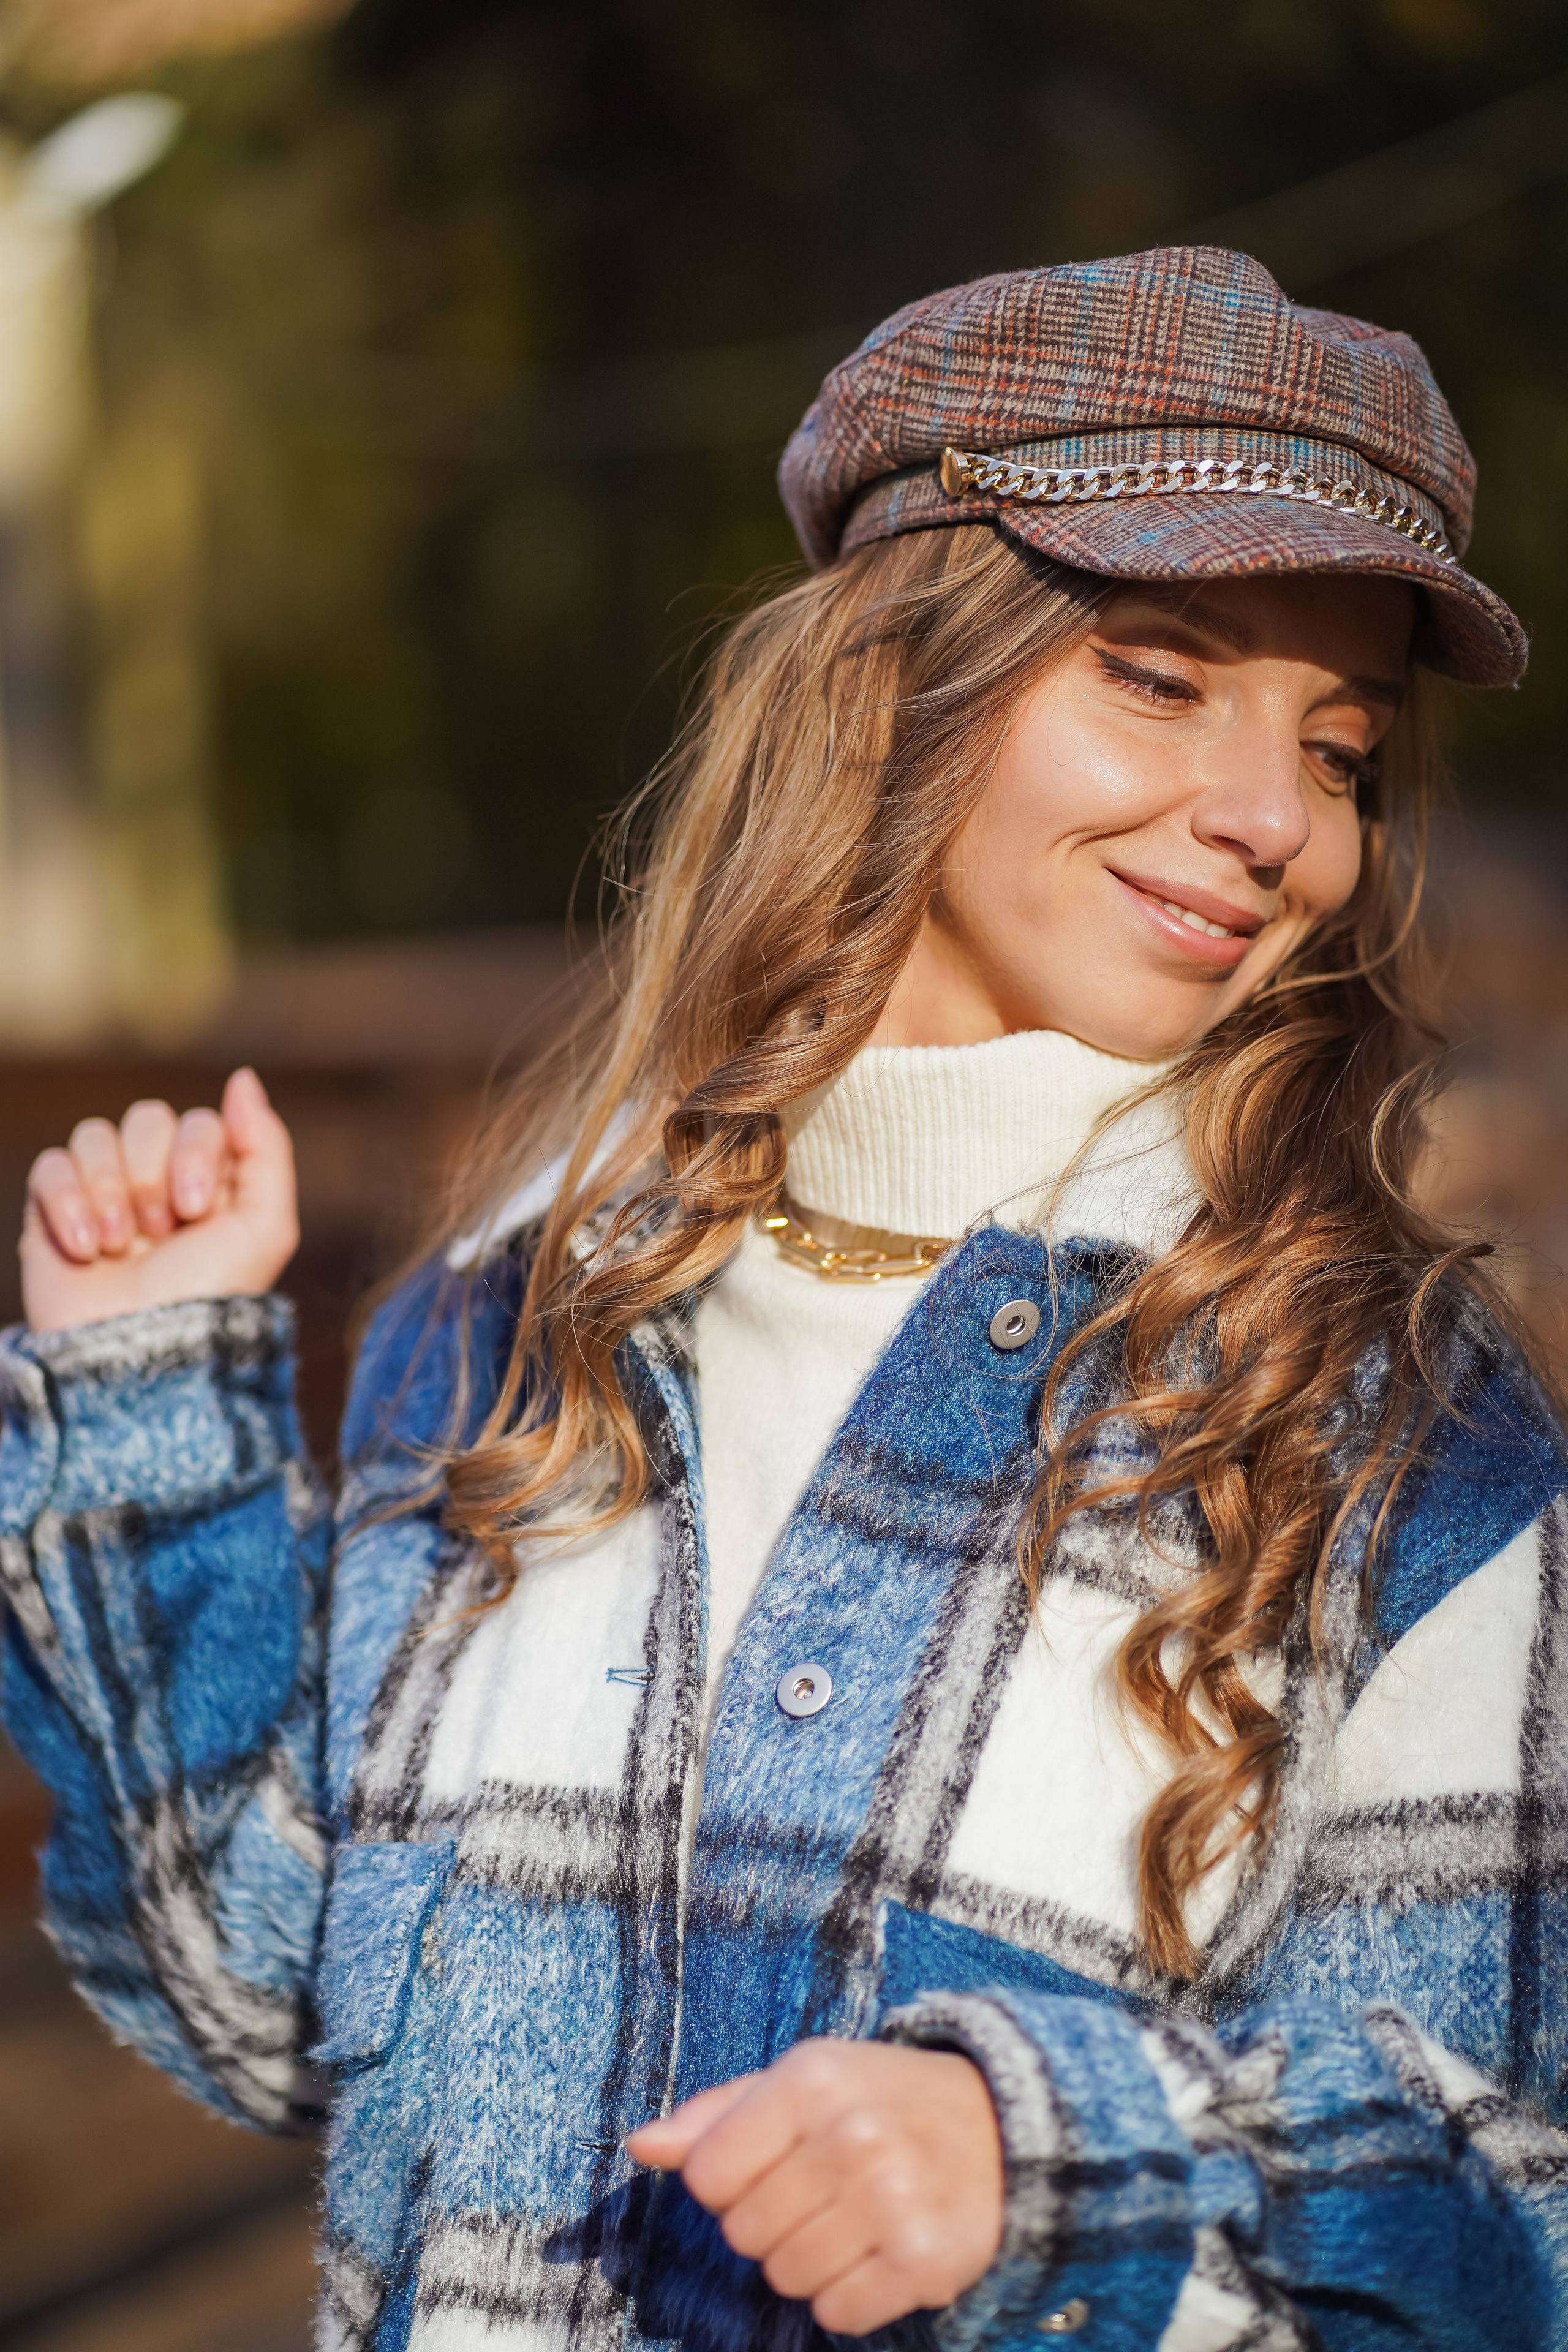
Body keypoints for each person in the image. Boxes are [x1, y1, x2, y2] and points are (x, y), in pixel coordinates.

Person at [2, 244, 1564, 2352]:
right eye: (1162, 677)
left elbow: (1513, 2215)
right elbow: (264, 2007)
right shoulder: (511, 1316)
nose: (1274, 819)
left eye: (1344, 746)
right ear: (884, 680)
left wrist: (1060, 2164)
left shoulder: (1394, 1420)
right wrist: (144, 1418)